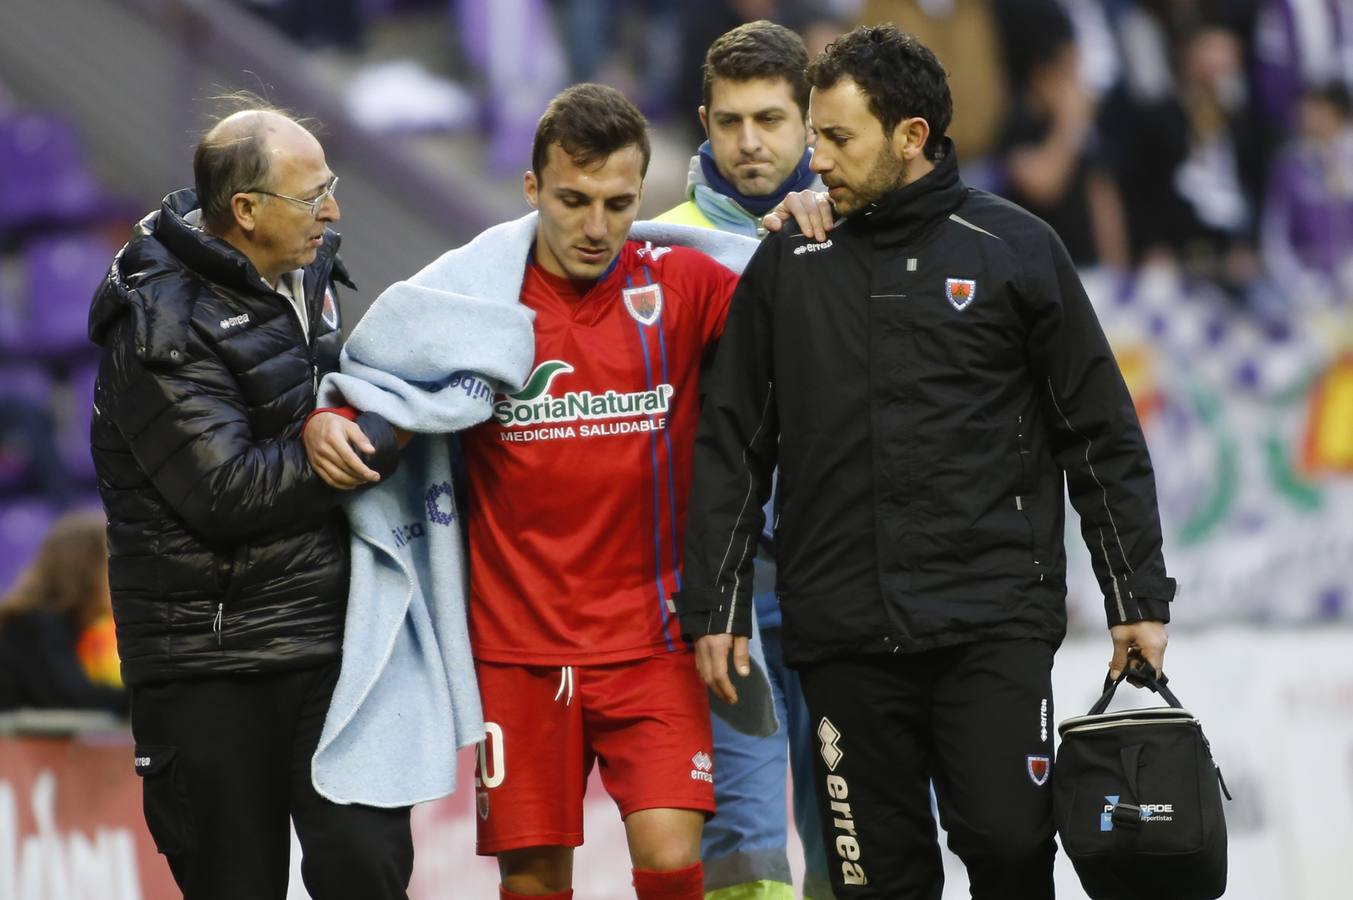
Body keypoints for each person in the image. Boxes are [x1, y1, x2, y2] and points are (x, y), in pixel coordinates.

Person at [676, 24, 1176, 898]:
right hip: (840, 636)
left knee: (1011, 849)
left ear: (910, 138)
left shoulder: (1015, 248)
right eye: (816, 136)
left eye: (836, 138)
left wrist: (1134, 596)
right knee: (874, 884)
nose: (814, 159)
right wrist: (714, 604)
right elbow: (733, 444)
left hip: (991, 625)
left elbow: (1096, 432)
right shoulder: (788, 262)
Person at [303, 83, 762, 900]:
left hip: (652, 639)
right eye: (572, 201)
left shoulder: (686, 287)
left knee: (667, 853)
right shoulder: (475, 308)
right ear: (530, 190)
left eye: (619, 204)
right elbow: (387, 386)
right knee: (535, 879)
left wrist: (803, 233)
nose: (596, 228)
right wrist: (325, 420)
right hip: (517, 649)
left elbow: (793, 324)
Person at [87, 103, 408, 900]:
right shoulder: (157, 325)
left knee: (367, 871)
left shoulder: (307, 275)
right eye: (313, 197)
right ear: (246, 212)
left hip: (329, 647)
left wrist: (348, 419)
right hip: (211, 669)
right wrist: (380, 433)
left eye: (330, 188)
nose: (332, 211)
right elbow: (227, 493)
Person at [655, 20, 833, 900]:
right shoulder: (659, 248)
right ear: (702, 119)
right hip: (729, 588)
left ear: (809, 119)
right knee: (743, 849)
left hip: (846, 575)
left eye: (769, 118)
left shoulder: (861, 230)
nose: (749, 141)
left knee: (857, 837)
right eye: (729, 121)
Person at [0, 508, 126, 715]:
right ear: (85, 570)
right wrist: (146, 693)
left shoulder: (63, 625)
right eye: (112, 565)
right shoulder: (34, 623)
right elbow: (73, 697)